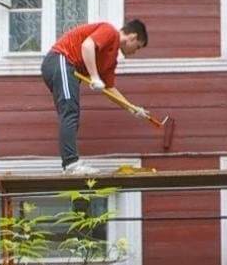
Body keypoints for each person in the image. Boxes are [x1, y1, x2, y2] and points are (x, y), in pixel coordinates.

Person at [41, 19, 148, 170]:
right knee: (70, 112)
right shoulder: (110, 31)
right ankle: (71, 164)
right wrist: (95, 77)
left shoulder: (110, 60)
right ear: (132, 37)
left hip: (67, 68)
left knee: (71, 113)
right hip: (60, 60)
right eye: (137, 47)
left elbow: (109, 89)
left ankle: (71, 163)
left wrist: (132, 108)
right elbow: (87, 45)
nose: (134, 52)